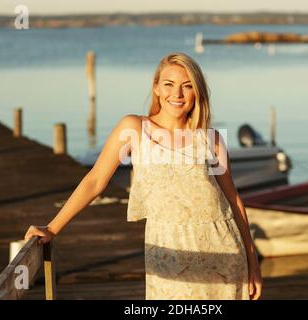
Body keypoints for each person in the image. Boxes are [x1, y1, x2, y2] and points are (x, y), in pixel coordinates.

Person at [24, 52, 262, 300]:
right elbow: (95, 181)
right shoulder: (134, 129)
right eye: (169, 85)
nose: (177, 94)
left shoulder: (211, 139)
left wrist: (253, 262)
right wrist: (52, 227)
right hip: (168, 250)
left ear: (198, 92)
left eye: (187, 86)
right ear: (156, 88)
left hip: (224, 250)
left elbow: (233, 201)